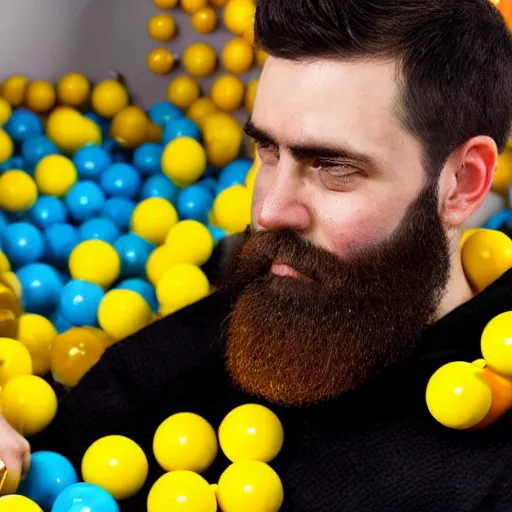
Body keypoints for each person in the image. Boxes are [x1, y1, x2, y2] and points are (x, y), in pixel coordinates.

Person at [3, 0, 512, 509]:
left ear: (462, 184)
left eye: (332, 166)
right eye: (268, 151)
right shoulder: (200, 341)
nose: (268, 210)